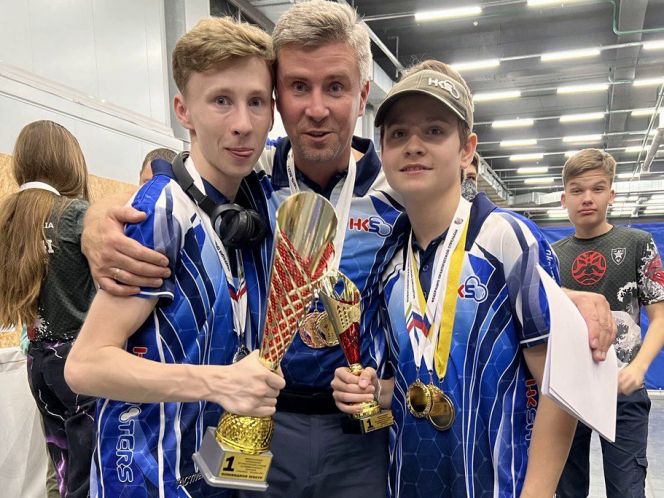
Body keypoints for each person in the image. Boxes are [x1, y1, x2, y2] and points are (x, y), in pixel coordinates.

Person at [78, 2, 615, 496]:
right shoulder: (252, 175)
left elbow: (461, 251)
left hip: (364, 433)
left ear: (362, 96)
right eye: (298, 87)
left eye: (335, 87)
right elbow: (180, 183)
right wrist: (93, 220)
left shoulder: (399, 187)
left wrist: (565, 298)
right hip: (263, 421)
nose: (316, 108)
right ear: (278, 98)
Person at [332, 60, 580, 497]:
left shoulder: (506, 239)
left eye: (434, 131)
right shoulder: (388, 259)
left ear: (467, 150)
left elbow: (560, 388)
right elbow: (409, 385)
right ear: (383, 151)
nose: (414, 146)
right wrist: (369, 390)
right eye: (398, 134)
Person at [64, 17, 285, 497]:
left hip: (216, 474)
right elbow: (85, 365)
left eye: (256, 102)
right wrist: (218, 382)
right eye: (221, 101)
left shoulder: (255, 197)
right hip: (145, 478)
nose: (242, 123)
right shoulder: (164, 208)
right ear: (184, 111)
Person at [554, 148, 664, 498]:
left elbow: (660, 316)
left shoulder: (637, 244)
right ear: (564, 199)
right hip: (568, 392)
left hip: (622, 389)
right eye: (577, 190)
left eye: (597, 188)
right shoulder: (551, 255)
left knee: (627, 489)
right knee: (567, 490)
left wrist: (639, 368)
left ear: (611, 194)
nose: (587, 198)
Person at [0, 120, 97, 498]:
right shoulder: (74, 215)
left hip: (39, 362)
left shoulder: (12, 219)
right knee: (90, 472)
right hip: (79, 361)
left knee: (63, 465)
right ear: (69, 162)